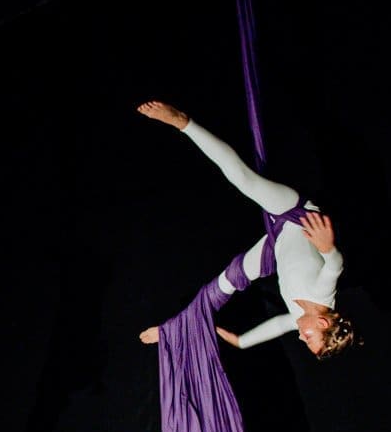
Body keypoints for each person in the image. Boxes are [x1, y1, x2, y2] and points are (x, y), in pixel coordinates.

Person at [135, 100, 360, 360]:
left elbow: (276, 326)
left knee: (224, 284)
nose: (301, 337)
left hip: (275, 246)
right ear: (322, 323)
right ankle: (183, 122)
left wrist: (240, 342)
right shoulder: (322, 295)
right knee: (243, 179)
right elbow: (335, 267)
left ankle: (173, 328)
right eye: (308, 337)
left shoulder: (301, 316)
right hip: (295, 216)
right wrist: (328, 248)